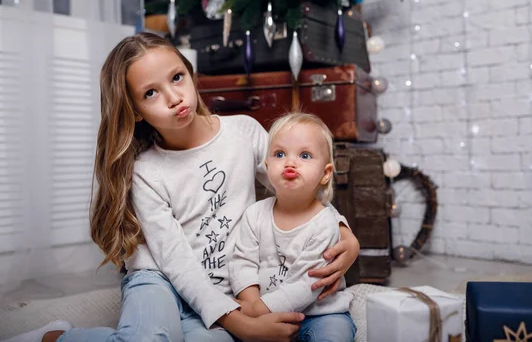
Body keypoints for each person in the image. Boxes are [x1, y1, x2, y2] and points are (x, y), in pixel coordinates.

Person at [8, 32, 359, 342]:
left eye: (177, 77)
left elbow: (296, 189)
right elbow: (176, 263)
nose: (174, 97)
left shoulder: (243, 133)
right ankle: (56, 336)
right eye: (151, 93)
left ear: (191, 74)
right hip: (158, 273)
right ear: (134, 111)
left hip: (220, 287)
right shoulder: (146, 170)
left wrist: (344, 232)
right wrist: (240, 323)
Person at [229, 112, 357, 342]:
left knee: (333, 335)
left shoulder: (325, 223)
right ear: (267, 167)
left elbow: (307, 284)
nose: (290, 162)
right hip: (265, 311)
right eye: (280, 154)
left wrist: (257, 310)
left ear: (325, 174)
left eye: (305, 155)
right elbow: (242, 262)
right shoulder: (254, 214)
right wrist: (251, 304)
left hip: (321, 313)